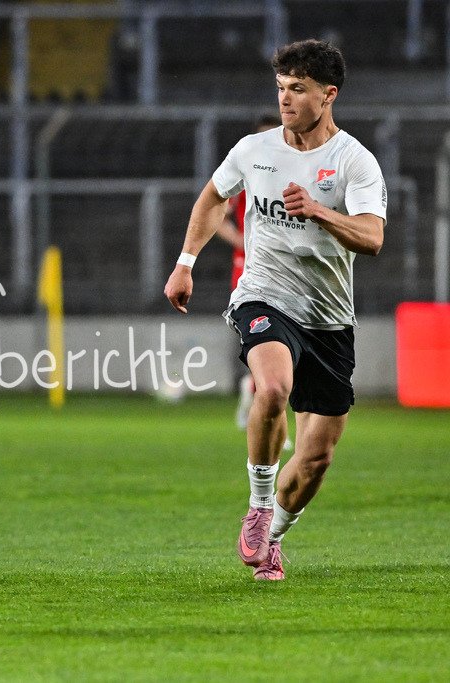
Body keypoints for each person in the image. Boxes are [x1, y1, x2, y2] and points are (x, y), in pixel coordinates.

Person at [164, 39, 386, 581]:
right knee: (272, 388)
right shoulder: (254, 149)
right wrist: (186, 261)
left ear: (328, 95)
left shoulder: (353, 162)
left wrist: (317, 211)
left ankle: (276, 535)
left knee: (316, 460)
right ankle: (259, 504)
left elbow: (373, 238)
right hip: (264, 294)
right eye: (281, 88)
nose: (286, 99)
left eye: (299, 89)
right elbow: (214, 198)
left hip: (330, 319)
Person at [213, 113, 283, 430]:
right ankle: (267, 413)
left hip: (286, 270)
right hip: (249, 269)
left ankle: (255, 390)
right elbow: (215, 215)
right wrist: (240, 241)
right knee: (265, 336)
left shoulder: (294, 171)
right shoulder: (245, 176)